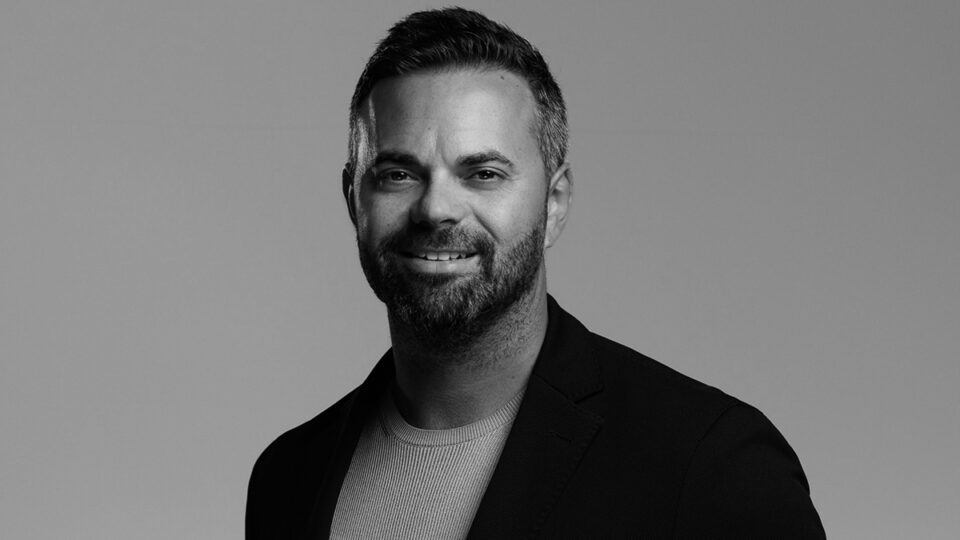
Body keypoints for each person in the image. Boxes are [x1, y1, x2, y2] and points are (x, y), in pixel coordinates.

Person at [246, 7, 825, 539]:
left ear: (554, 202)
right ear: (354, 199)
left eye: (484, 174)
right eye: (398, 174)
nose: (436, 208)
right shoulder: (289, 477)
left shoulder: (713, 465)